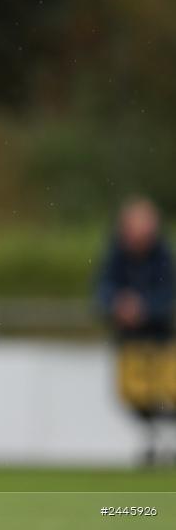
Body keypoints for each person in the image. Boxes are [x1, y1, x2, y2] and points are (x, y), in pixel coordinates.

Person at [96, 197, 174, 464]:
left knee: (167, 394)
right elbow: (102, 291)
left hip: (162, 341)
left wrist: (145, 308)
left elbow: (169, 295)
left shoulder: (164, 256)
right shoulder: (116, 255)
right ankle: (155, 441)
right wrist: (117, 305)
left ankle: (161, 442)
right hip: (129, 342)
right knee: (133, 396)